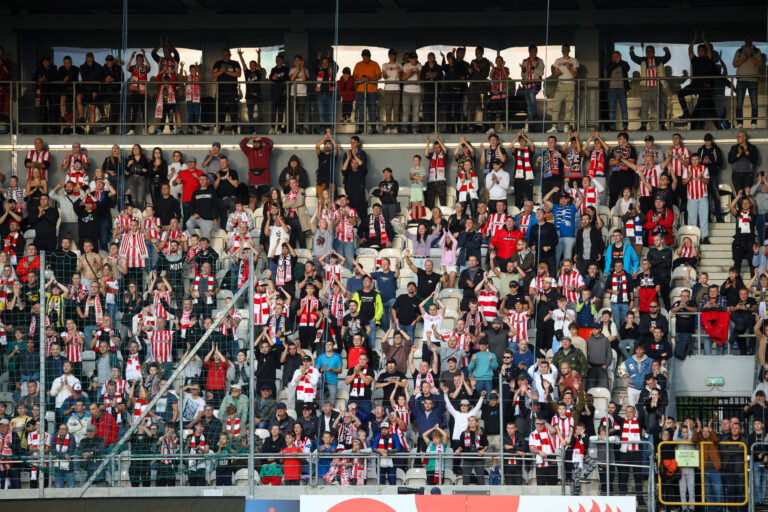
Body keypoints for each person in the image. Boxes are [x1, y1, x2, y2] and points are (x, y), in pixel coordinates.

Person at [677, 31, 717, 130]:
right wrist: (694, 38)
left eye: (702, 50)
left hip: (704, 86)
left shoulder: (708, 59)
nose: (700, 52)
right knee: (680, 93)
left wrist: (703, 37)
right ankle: (686, 113)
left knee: (703, 106)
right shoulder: (694, 59)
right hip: (695, 84)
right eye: (699, 50)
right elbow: (690, 49)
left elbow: (709, 49)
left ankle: (699, 125)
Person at [629, 44, 671, 131]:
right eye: (647, 51)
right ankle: (643, 125)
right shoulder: (643, 60)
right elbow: (634, 58)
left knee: (660, 107)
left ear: (653, 52)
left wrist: (667, 51)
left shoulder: (658, 60)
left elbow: (667, 57)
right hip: (646, 87)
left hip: (657, 87)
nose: (648, 53)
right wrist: (631, 52)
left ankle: (662, 125)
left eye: (650, 51)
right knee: (644, 108)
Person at [547, 45, 579, 134]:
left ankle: (566, 127)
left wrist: (569, 67)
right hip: (561, 84)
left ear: (569, 50)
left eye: (566, 50)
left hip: (571, 84)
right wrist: (557, 72)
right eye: (563, 50)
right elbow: (555, 75)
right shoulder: (558, 60)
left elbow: (575, 75)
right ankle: (554, 127)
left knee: (569, 107)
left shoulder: (574, 60)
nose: (564, 51)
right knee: (555, 105)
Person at [733, 34, 762, 129]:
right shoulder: (739, 51)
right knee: (739, 102)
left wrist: (749, 57)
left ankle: (754, 122)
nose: (748, 40)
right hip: (741, 80)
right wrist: (744, 58)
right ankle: (740, 122)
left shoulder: (757, 51)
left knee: (754, 102)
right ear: (744, 40)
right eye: (746, 38)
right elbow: (735, 64)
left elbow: (759, 63)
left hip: (753, 80)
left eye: (750, 38)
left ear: (752, 40)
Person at [353, 49, 382, 134]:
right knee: (361, 111)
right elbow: (354, 76)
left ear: (370, 56)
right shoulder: (358, 64)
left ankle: (373, 129)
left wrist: (370, 79)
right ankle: (361, 129)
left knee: (372, 110)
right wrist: (361, 79)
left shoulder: (375, 64)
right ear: (362, 56)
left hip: (372, 91)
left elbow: (379, 76)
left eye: (367, 56)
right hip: (361, 91)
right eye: (364, 56)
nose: (366, 58)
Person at [605, 51, 630, 132]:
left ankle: (625, 127)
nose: (614, 57)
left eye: (616, 56)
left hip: (622, 89)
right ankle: (612, 127)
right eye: (613, 56)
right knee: (612, 110)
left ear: (620, 56)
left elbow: (627, 68)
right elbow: (608, 69)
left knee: (624, 109)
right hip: (611, 89)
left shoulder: (624, 63)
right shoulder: (609, 64)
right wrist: (616, 62)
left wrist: (620, 62)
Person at [520, 45, 544, 122]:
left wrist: (533, 68)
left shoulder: (540, 61)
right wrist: (523, 70)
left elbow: (541, 73)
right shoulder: (525, 61)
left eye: (536, 51)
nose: (535, 53)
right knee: (528, 105)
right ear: (529, 51)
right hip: (527, 85)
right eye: (533, 51)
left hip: (535, 84)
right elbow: (523, 76)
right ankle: (532, 123)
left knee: (531, 94)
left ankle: (534, 115)